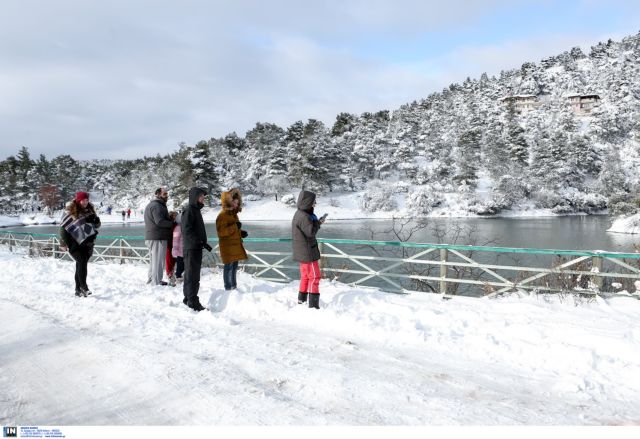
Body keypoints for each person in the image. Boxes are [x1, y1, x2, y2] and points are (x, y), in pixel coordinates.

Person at [59, 191, 101, 297]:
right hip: (73, 242)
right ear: (78, 200)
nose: (85, 202)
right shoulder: (70, 211)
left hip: (87, 241)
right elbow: (63, 228)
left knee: (80, 264)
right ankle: (84, 287)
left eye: (87, 200)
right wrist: (63, 243)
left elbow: (96, 226)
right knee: (81, 261)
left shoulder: (90, 210)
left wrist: (96, 221)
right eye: (83, 200)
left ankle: (77, 289)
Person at [292, 190, 326, 309]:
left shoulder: (299, 214)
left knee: (306, 277)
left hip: (302, 252)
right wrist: (318, 223)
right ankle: (313, 306)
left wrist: (317, 222)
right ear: (307, 202)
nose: (315, 204)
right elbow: (311, 232)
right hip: (308, 253)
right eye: (313, 202)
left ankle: (301, 301)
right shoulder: (305, 216)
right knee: (315, 277)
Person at [181, 187, 211, 311]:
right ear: (195, 197)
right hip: (192, 248)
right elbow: (186, 230)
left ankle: (188, 298)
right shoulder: (189, 210)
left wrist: (202, 243)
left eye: (203, 196)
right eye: (201, 196)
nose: (203, 198)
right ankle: (193, 301)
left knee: (190, 274)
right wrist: (199, 242)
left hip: (195, 247)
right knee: (192, 275)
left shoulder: (195, 210)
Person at [216, 188, 248, 291]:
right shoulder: (222, 215)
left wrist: (241, 232)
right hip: (227, 248)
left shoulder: (234, 215)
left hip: (235, 246)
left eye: (237, 203)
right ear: (229, 202)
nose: (236, 205)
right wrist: (235, 227)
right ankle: (228, 288)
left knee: (234, 267)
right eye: (234, 202)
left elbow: (233, 228)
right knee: (228, 268)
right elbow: (221, 232)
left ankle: (234, 288)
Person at [144, 187, 175, 286]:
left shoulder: (155, 205)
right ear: (158, 194)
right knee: (158, 261)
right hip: (158, 237)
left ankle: (151, 280)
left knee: (153, 261)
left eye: (167, 194)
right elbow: (160, 221)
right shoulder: (157, 206)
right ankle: (156, 282)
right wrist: (172, 223)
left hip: (153, 236)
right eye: (165, 194)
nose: (167, 196)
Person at [171, 210, 185, 282]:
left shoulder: (185, 227)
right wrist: (175, 250)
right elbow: (175, 240)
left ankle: (179, 277)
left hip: (185, 251)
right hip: (179, 252)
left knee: (183, 266)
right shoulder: (178, 228)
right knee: (179, 267)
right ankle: (177, 278)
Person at [165, 211, 178, 286]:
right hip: (170, 244)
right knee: (169, 260)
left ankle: (171, 274)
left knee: (172, 260)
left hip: (173, 244)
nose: (176, 217)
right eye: (175, 215)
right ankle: (170, 274)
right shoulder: (170, 224)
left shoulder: (175, 224)